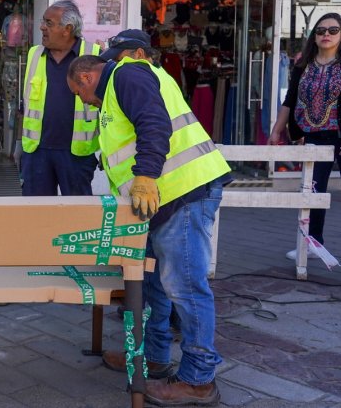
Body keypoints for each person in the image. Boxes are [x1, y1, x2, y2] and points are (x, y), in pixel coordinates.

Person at [67, 29, 231, 406]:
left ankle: (198, 380)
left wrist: (144, 177)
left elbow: (154, 125)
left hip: (182, 194)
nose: (84, 103)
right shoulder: (116, 90)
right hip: (162, 202)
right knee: (154, 283)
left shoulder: (127, 73)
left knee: (185, 288)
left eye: (80, 94)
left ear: (87, 76)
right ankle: (154, 359)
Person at [269, 13, 341, 260]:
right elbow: (290, 100)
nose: (326, 35)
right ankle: (313, 243)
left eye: (332, 30)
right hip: (313, 137)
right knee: (312, 191)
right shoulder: (303, 64)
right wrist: (278, 128)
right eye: (320, 31)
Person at [17, 0, 100, 196]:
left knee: (78, 218)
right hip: (36, 152)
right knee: (37, 215)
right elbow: (25, 104)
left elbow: (108, 107)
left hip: (76, 154)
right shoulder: (34, 54)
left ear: (67, 29)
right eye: (43, 21)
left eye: (49, 23)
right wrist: (18, 146)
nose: (41, 27)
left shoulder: (94, 56)